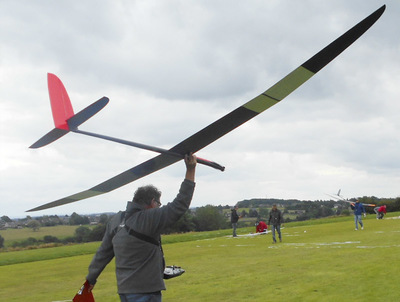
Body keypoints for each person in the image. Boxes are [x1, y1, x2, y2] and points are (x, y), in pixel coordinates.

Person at [85, 153, 197, 302]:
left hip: (125, 292)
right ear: (152, 202)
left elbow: (102, 254)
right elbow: (179, 205)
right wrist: (191, 170)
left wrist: (90, 279)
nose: (158, 207)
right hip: (145, 292)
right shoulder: (147, 218)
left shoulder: (116, 220)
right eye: (158, 204)